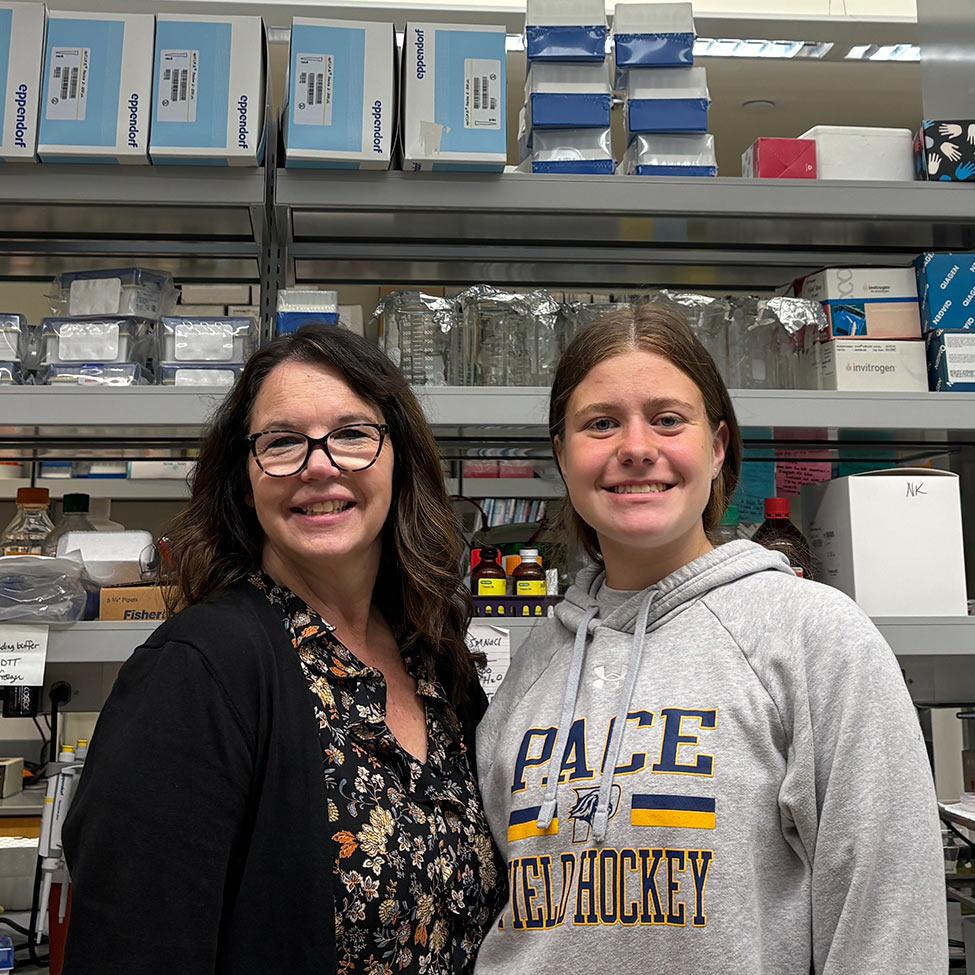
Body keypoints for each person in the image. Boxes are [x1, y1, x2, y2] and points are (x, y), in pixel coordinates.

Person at [474, 305, 947, 974]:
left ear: (718, 446)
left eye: (667, 419)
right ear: (561, 453)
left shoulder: (813, 636)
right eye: (600, 422)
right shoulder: (536, 663)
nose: (636, 447)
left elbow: (888, 922)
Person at [63, 325, 506, 974]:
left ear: (400, 460)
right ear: (245, 480)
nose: (318, 463)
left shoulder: (434, 661)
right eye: (282, 441)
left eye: (352, 433)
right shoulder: (196, 674)